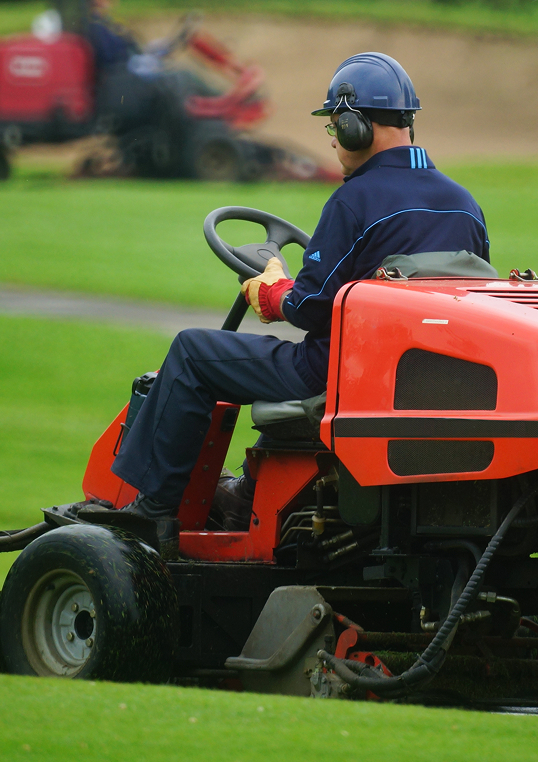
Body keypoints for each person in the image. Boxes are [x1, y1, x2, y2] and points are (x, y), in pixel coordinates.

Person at [109, 52, 491, 542]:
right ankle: (251, 492)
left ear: (355, 126)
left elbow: (309, 308)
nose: (332, 139)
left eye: (334, 126)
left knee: (192, 352)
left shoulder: (355, 200)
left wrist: (272, 292)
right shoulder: (466, 205)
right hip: (422, 383)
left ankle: (153, 511)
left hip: (338, 375)